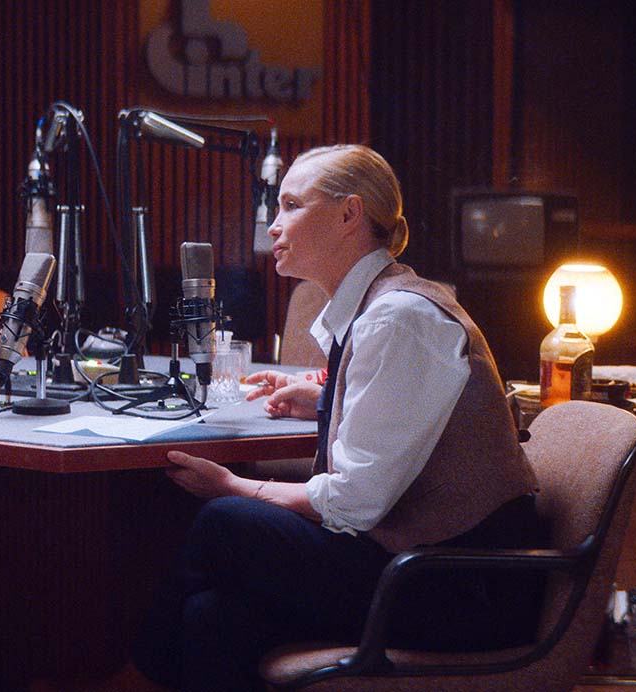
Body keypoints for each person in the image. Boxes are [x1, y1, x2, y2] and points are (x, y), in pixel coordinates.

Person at [132, 144, 546, 692]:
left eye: (291, 205)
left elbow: (353, 502)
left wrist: (233, 485)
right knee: (212, 617)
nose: (274, 226)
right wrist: (326, 397)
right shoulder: (384, 308)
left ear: (350, 214)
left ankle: (138, 671)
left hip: (462, 586)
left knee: (224, 520)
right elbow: (406, 411)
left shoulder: (397, 318)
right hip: (425, 563)